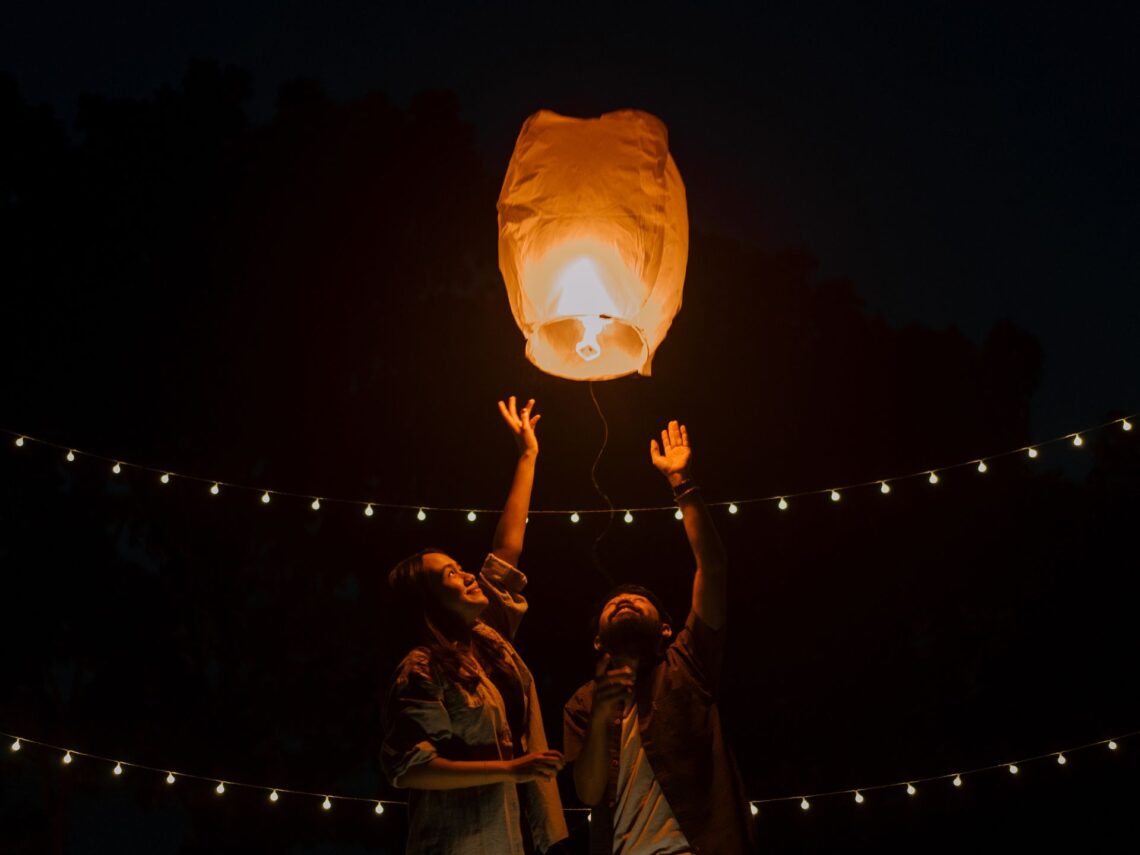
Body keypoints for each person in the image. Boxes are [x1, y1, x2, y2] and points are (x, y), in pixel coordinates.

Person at [381, 396, 569, 854]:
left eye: (460, 565)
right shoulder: (421, 668)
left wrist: (528, 455)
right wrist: (512, 769)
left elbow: (506, 551)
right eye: (449, 574)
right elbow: (412, 766)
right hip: (457, 843)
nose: (467, 573)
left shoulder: (489, 642)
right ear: (430, 603)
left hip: (517, 837)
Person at [563, 420, 754, 854]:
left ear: (666, 629)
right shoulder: (582, 702)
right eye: (614, 603)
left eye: (638, 600)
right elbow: (589, 794)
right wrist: (599, 720)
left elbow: (714, 568)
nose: (624, 602)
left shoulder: (687, 663)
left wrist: (680, 482)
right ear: (598, 641)